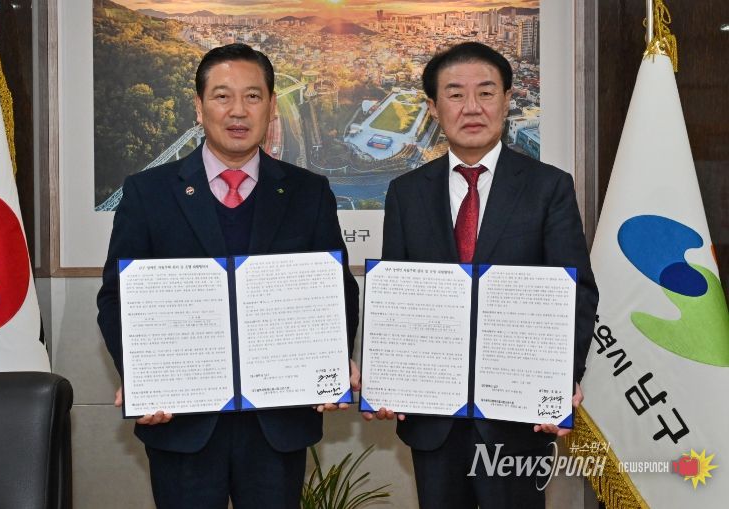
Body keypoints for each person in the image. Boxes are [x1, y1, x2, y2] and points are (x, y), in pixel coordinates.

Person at [96, 43, 360, 509]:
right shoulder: (147, 192)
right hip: (183, 422)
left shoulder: (308, 192)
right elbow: (117, 298)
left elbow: (336, 289)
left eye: (253, 96)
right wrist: (142, 376)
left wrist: (333, 361)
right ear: (199, 107)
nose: (238, 111)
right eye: (222, 96)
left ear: (271, 106)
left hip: (278, 420)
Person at [364, 42, 599, 508]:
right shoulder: (406, 193)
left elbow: (577, 295)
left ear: (507, 100)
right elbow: (396, 300)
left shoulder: (548, 187)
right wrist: (389, 381)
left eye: (486, 92)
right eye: (455, 94)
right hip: (433, 419)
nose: (471, 107)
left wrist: (557, 380)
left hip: (518, 417)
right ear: (434, 108)